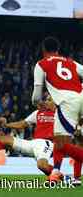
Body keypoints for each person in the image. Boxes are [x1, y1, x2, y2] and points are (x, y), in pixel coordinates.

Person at [32, 37, 83, 182]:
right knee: (63, 140)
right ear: (58, 49)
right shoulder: (70, 62)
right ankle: (55, 173)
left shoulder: (41, 64)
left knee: (61, 144)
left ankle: (56, 173)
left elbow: (36, 95)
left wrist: (37, 103)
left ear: (43, 49)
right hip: (80, 97)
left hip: (67, 103)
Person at [0, 96, 55, 177]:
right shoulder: (38, 113)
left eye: (49, 100)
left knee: (41, 166)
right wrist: (6, 125)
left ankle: (61, 177)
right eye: (46, 99)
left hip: (47, 144)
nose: (46, 101)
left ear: (56, 102)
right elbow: (22, 124)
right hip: (33, 143)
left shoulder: (60, 115)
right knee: (3, 139)